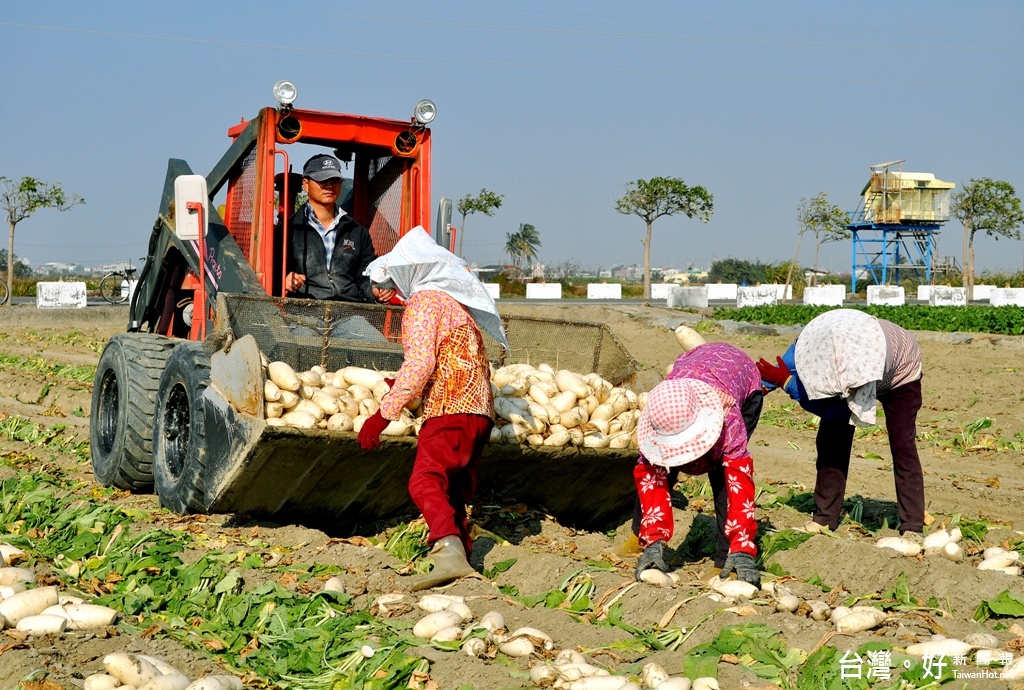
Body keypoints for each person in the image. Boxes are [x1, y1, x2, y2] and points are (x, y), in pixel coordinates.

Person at [356, 227, 509, 591]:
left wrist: (382, 415)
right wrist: (403, 386)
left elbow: (422, 363)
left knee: (424, 480)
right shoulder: (453, 304)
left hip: (450, 408)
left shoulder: (424, 302)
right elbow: (443, 359)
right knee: (453, 490)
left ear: (412, 272)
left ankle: (447, 553)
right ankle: (464, 564)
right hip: (479, 413)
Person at [756, 308, 924, 538]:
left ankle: (912, 526)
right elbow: (786, 366)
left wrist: (789, 384)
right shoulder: (810, 343)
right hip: (866, 349)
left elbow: (837, 413)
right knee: (830, 441)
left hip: (901, 370)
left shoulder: (860, 369)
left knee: (902, 444)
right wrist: (760, 385)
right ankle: (825, 519)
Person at [632, 330, 764, 587]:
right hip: (696, 370)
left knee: (722, 478)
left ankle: (727, 556)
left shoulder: (729, 420)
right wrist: (654, 538)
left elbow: (740, 483)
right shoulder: (659, 415)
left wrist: (743, 547)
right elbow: (650, 482)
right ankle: (643, 538)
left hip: (743, 382)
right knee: (660, 471)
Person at [286, 153, 395, 305]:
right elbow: (272, 275)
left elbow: (364, 276)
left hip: (348, 312)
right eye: (322, 179)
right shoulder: (287, 230)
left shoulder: (357, 231)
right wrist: (285, 279)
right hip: (303, 311)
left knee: (364, 330)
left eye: (335, 180)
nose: (329, 185)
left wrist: (375, 290)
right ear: (305, 184)